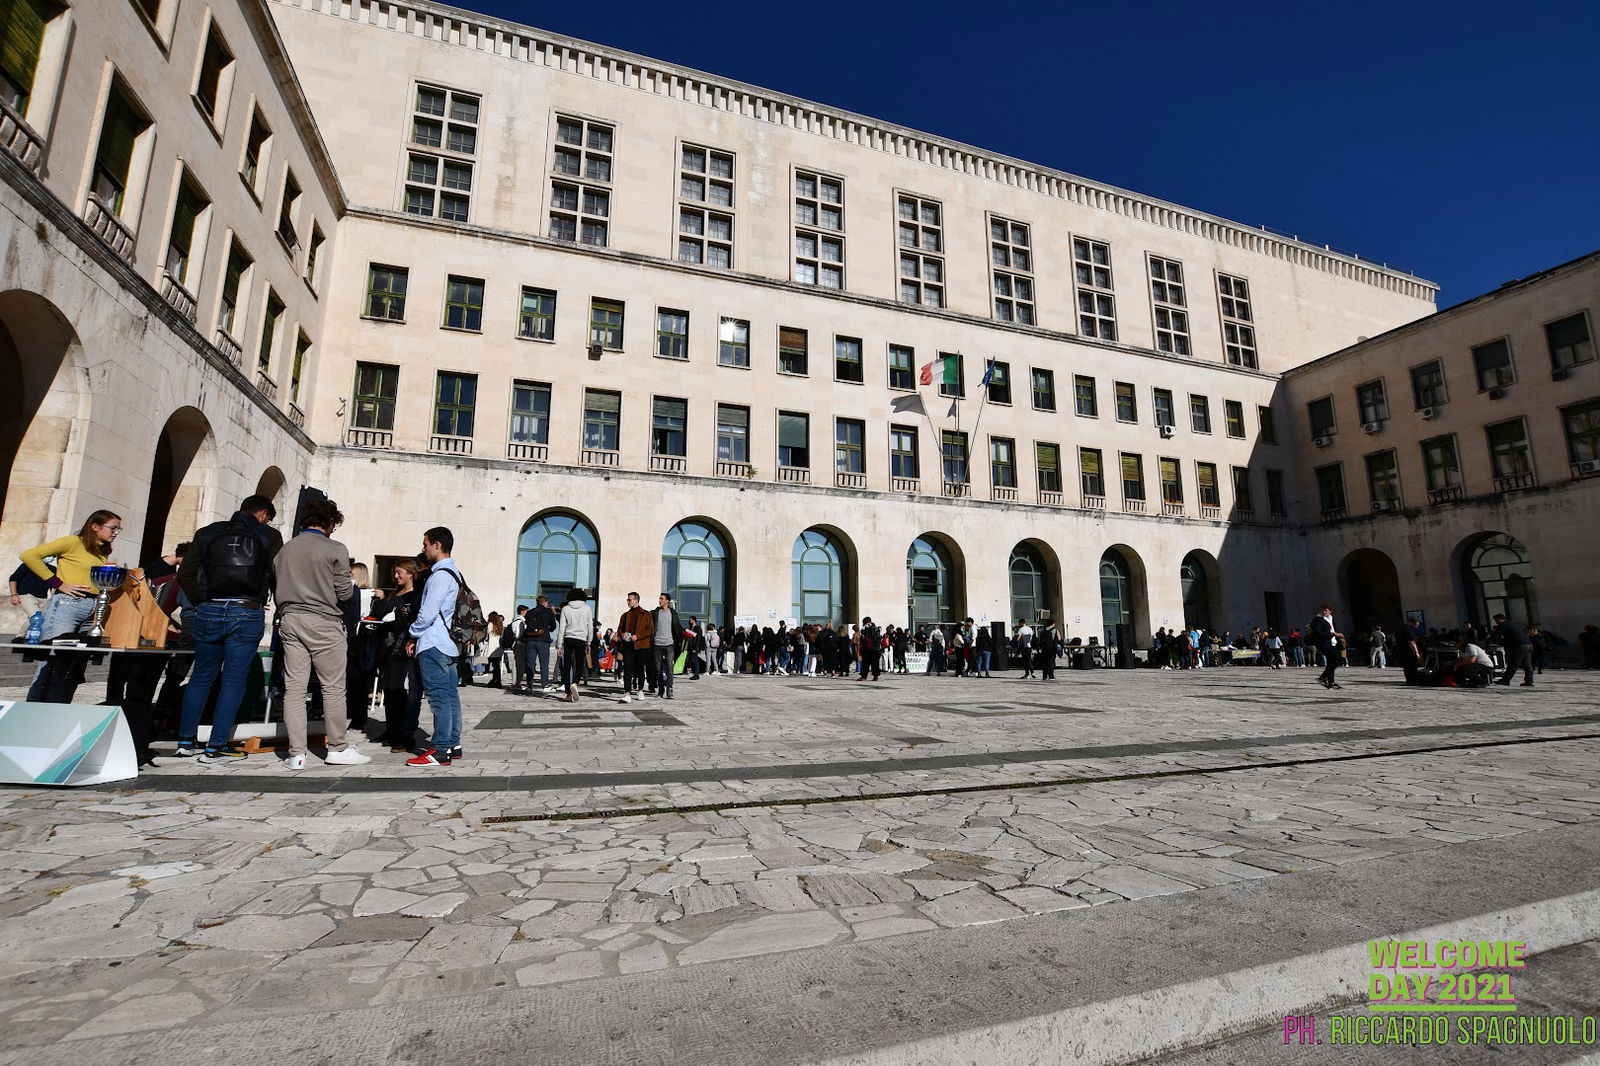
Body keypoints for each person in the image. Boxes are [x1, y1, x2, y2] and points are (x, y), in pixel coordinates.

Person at [174, 496, 281, 761]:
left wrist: (201, 601)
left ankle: (185, 741)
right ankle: (216, 744)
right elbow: (276, 574)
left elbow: (185, 574)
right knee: (234, 679)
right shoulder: (269, 535)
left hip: (209, 607)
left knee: (201, 676)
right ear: (262, 513)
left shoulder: (207, 533)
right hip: (246, 609)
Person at [273, 496, 370, 770]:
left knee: (294, 689)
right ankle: (337, 747)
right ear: (329, 522)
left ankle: (297, 753)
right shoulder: (335, 548)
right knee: (333, 688)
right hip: (324, 621)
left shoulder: (285, 550)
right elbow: (344, 593)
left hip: (290, 619)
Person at [19, 510, 123, 702]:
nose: (116, 532)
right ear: (95, 526)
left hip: (92, 607)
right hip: (68, 605)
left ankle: (61, 706)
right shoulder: (73, 542)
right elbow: (30, 555)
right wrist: (58, 583)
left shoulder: (101, 552)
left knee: (74, 665)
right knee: (53, 661)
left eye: (118, 529)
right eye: (113, 527)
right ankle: (37, 709)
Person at [406, 526, 465, 767]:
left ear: (437, 545)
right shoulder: (455, 573)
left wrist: (412, 634)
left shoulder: (440, 575)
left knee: (439, 697)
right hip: (448, 644)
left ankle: (441, 749)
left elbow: (427, 613)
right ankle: (452, 743)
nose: (424, 549)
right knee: (450, 696)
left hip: (434, 643)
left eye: (425, 544)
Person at [374, 559, 423, 752]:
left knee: (398, 690)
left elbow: (405, 619)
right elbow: (381, 614)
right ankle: (391, 729)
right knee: (389, 689)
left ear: (411, 573)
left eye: (399, 572)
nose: (396, 576)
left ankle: (403, 733)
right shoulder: (394, 594)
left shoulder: (414, 596)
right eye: (394, 572)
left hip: (402, 647)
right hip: (387, 646)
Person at [553, 588, 594, 702]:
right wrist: (589, 642)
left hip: (568, 639)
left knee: (567, 666)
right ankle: (575, 683)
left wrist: (559, 645)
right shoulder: (587, 608)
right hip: (581, 639)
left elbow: (562, 628)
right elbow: (590, 627)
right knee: (580, 664)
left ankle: (568, 693)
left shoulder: (565, 608)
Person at [616, 592, 655, 703]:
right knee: (627, 669)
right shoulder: (625, 615)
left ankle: (640, 690)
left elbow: (650, 629)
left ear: (636, 600)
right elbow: (619, 628)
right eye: (627, 600)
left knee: (639, 669)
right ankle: (627, 693)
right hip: (627, 645)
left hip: (641, 645)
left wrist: (638, 636)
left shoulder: (646, 614)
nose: (628, 602)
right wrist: (622, 634)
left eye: (630, 600)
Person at [651, 593, 683, 699]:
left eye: (662, 598)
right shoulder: (655, 613)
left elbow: (677, 627)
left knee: (670, 668)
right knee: (658, 669)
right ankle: (661, 690)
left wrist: (683, 635)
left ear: (667, 601)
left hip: (669, 644)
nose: (659, 600)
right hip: (657, 644)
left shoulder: (673, 613)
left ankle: (670, 689)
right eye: (659, 598)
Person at [524, 594, 556, 694]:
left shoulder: (529, 612)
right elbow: (553, 626)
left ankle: (529, 685)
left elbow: (527, 624)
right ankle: (545, 685)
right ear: (545, 602)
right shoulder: (548, 611)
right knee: (544, 664)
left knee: (530, 664)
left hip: (530, 640)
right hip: (543, 640)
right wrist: (547, 629)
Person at [1491, 613, 1535, 687]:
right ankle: (1529, 680)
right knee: (1527, 664)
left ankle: (1505, 680)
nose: (1496, 622)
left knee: (1513, 664)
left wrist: (1496, 642)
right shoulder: (1513, 624)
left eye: (1496, 620)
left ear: (1499, 619)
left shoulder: (1503, 625)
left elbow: (1497, 636)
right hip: (1528, 645)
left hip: (1519, 646)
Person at [1310, 603, 1343, 690]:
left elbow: (1332, 630)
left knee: (1331, 663)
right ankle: (1323, 677)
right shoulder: (1319, 620)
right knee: (1336, 662)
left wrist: (1337, 634)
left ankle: (1331, 682)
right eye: (1322, 610)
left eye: (1326, 610)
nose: (1323, 612)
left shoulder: (1331, 619)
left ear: (1330, 611)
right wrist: (1331, 634)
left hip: (1333, 643)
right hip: (1325, 643)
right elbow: (1317, 632)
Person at [855, 616, 882, 681]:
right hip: (866, 648)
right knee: (865, 663)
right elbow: (861, 638)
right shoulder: (864, 629)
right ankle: (863, 676)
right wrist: (862, 637)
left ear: (869, 622)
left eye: (865, 623)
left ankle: (875, 676)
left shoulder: (875, 629)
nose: (864, 625)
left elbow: (878, 638)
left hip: (874, 649)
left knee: (875, 663)